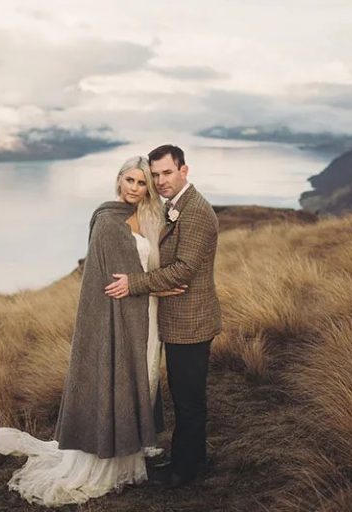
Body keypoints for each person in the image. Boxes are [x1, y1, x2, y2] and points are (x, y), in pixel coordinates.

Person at [0, 156, 185, 507]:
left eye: (142, 183)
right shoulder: (108, 220)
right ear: (118, 180)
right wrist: (155, 288)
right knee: (124, 378)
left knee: (145, 377)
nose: (135, 189)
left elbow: (140, 272)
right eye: (130, 180)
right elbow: (114, 284)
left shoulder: (150, 217)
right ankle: (107, 462)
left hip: (146, 314)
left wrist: (157, 288)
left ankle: (129, 456)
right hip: (120, 316)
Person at [105, 144, 222, 489]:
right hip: (177, 319)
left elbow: (184, 269)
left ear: (184, 170)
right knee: (184, 395)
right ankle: (191, 457)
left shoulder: (196, 211)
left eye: (166, 173)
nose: (160, 181)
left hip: (192, 320)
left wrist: (137, 284)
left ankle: (186, 470)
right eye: (154, 175)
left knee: (188, 399)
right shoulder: (174, 207)